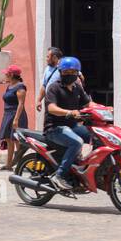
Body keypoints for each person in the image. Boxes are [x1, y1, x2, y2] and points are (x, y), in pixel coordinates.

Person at [43, 56, 92, 192]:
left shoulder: (77, 88)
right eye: (66, 72)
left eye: (72, 72)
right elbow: (51, 108)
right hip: (54, 128)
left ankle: (84, 167)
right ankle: (59, 176)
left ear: (78, 73)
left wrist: (105, 109)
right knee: (77, 142)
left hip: (72, 127)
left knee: (95, 135)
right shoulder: (54, 87)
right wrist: (69, 112)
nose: (69, 75)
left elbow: (88, 103)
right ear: (60, 72)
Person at [0, 65, 28, 171]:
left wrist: (16, 119)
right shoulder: (9, 86)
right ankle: (9, 164)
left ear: (11, 75)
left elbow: (21, 104)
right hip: (7, 115)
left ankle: (20, 164)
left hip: (16, 115)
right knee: (9, 139)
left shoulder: (20, 87)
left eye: (6, 73)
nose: (5, 75)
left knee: (17, 140)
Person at [35, 47, 62, 123]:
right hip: (49, 101)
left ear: (54, 57)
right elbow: (44, 85)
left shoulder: (64, 69)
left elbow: (79, 78)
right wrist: (39, 100)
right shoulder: (47, 69)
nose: (46, 59)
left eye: (48, 56)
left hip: (59, 101)